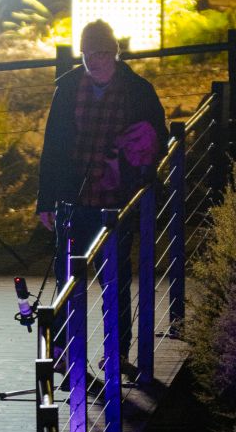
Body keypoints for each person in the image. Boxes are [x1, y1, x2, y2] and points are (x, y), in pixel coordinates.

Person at [36, 19, 166, 374]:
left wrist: (128, 159)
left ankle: (116, 353)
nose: (95, 62)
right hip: (74, 197)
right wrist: (45, 200)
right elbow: (53, 148)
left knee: (116, 279)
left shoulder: (138, 91)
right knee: (67, 277)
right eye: (89, 54)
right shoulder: (67, 89)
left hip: (116, 200)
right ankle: (63, 348)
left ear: (115, 53)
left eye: (102, 54)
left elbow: (158, 141)